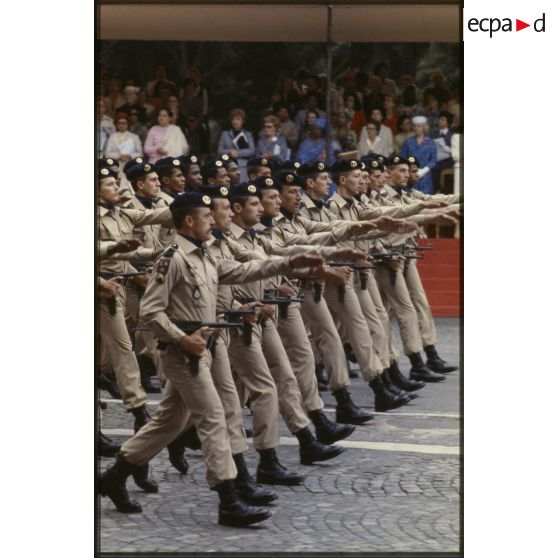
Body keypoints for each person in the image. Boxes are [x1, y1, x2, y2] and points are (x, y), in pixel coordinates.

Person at [99, 191, 327, 525]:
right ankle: (228, 498)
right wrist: (181, 338)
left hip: (200, 347)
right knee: (213, 416)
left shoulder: (204, 256)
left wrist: (291, 263)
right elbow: (149, 312)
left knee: (170, 422)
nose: (212, 221)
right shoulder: (172, 258)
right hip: (183, 353)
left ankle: (114, 477)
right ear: (190, 221)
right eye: (206, 216)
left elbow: (245, 271)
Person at [400, 116, 437, 194]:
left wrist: (423, 171)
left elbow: (434, 160)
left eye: (419, 126)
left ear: (424, 127)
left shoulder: (430, 142)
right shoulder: (408, 142)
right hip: (410, 175)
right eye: (415, 126)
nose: (416, 128)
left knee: (427, 199)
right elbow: (402, 158)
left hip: (425, 175)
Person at [217, 108, 256, 182]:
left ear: (243, 121)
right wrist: (230, 152)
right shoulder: (225, 134)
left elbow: (252, 150)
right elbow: (219, 151)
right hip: (228, 166)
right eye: (233, 119)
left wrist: (238, 153)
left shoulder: (248, 134)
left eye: (238, 119)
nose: (235, 121)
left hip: (243, 166)